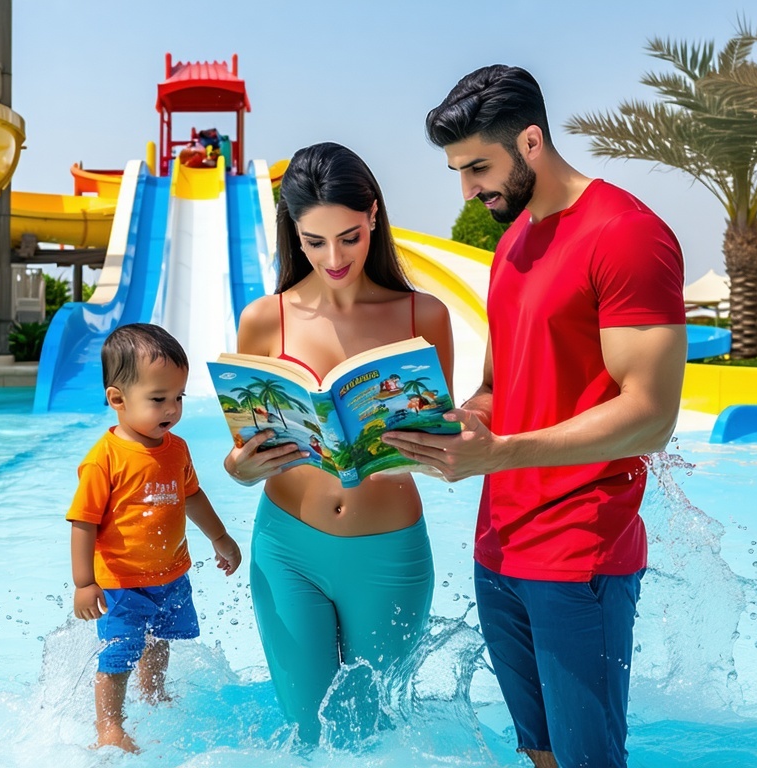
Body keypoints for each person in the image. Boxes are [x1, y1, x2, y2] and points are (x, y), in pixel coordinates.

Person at [383, 65, 687, 768]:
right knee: (540, 757)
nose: (468, 188)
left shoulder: (628, 236)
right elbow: (499, 384)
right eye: (457, 171)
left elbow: (651, 417)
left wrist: (502, 454)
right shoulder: (512, 244)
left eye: (479, 167)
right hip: (500, 547)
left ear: (531, 141)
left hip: (581, 551)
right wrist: (462, 421)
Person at [223, 142, 454, 745]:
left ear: (373, 215)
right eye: (314, 241)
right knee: (307, 735)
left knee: (370, 737)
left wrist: (435, 445)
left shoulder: (421, 316)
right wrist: (239, 468)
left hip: (390, 553)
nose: (334, 257)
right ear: (292, 233)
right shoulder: (263, 319)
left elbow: (443, 440)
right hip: (287, 549)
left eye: (349, 237)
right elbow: (243, 446)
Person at [67, 322, 242, 753]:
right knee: (118, 654)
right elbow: (83, 522)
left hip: (171, 573)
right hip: (121, 581)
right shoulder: (104, 460)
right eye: (159, 399)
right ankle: (108, 726)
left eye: (178, 397)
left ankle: (154, 692)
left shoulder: (176, 448)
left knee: (159, 639)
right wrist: (84, 582)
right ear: (117, 399)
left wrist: (220, 538)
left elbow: (192, 496)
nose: (172, 409)